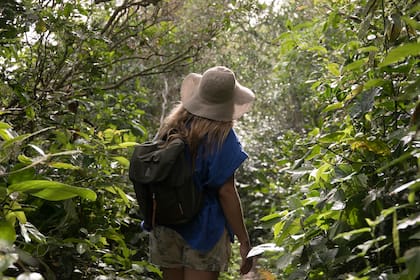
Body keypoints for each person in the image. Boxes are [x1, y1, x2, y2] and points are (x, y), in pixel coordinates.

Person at [149, 66, 255, 280]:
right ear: (228, 102)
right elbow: (226, 192)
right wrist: (244, 240)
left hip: (166, 222)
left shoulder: (170, 126)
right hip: (205, 228)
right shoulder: (222, 136)